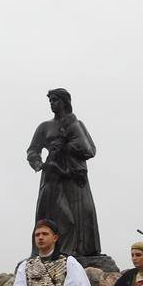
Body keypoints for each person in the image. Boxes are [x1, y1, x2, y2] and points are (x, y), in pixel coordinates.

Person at [26, 88, 101, 257]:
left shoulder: (76, 124)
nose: (52, 104)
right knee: (51, 213)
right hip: (52, 174)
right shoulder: (44, 127)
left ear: (65, 102)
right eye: (50, 100)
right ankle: (50, 251)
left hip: (74, 175)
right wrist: (38, 163)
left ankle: (80, 250)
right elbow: (33, 150)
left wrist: (66, 146)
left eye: (55, 100)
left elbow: (89, 151)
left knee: (82, 211)